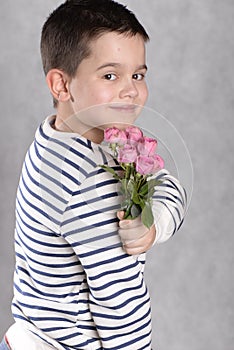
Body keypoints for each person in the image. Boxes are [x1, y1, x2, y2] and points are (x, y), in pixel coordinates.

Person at [0, 0, 187, 349]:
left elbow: (166, 183)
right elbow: (120, 305)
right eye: (110, 75)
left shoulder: (63, 141)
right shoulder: (89, 182)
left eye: (138, 75)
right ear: (62, 85)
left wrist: (153, 223)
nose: (131, 89)